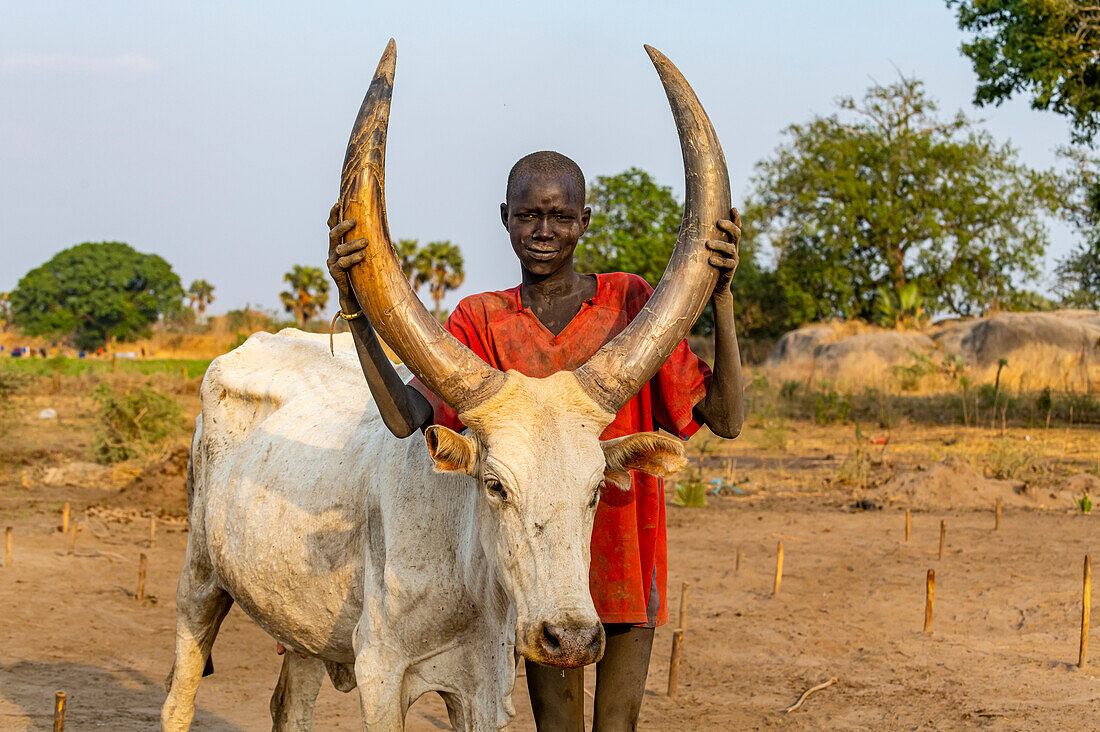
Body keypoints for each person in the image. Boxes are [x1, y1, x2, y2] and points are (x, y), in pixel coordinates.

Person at [327, 150, 743, 731]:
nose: (544, 231)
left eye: (560, 216)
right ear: (505, 217)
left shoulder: (631, 303)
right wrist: (357, 310)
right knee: (557, 726)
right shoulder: (481, 321)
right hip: (538, 567)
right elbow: (405, 419)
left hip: (625, 549)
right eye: (527, 216)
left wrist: (720, 296)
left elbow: (724, 416)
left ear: (585, 220)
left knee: (619, 725)